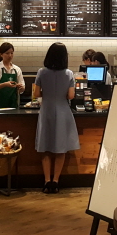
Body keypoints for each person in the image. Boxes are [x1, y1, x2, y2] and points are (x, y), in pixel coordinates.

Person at [33, 42, 79, 193]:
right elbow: (71, 95)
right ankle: (56, 181)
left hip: (46, 111)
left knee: (45, 147)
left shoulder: (41, 72)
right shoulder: (69, 74)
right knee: (61, 148)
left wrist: (47, 94)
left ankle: (47, 181)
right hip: (63, 111)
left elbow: (36, 94)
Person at [0, 42, 24, 108]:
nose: (10, 55)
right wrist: (5, 84)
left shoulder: (17, 69)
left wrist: (21, 87)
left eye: (11, 53)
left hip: (13, 105)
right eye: (7, 53)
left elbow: (22, 88)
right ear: (1, 54)